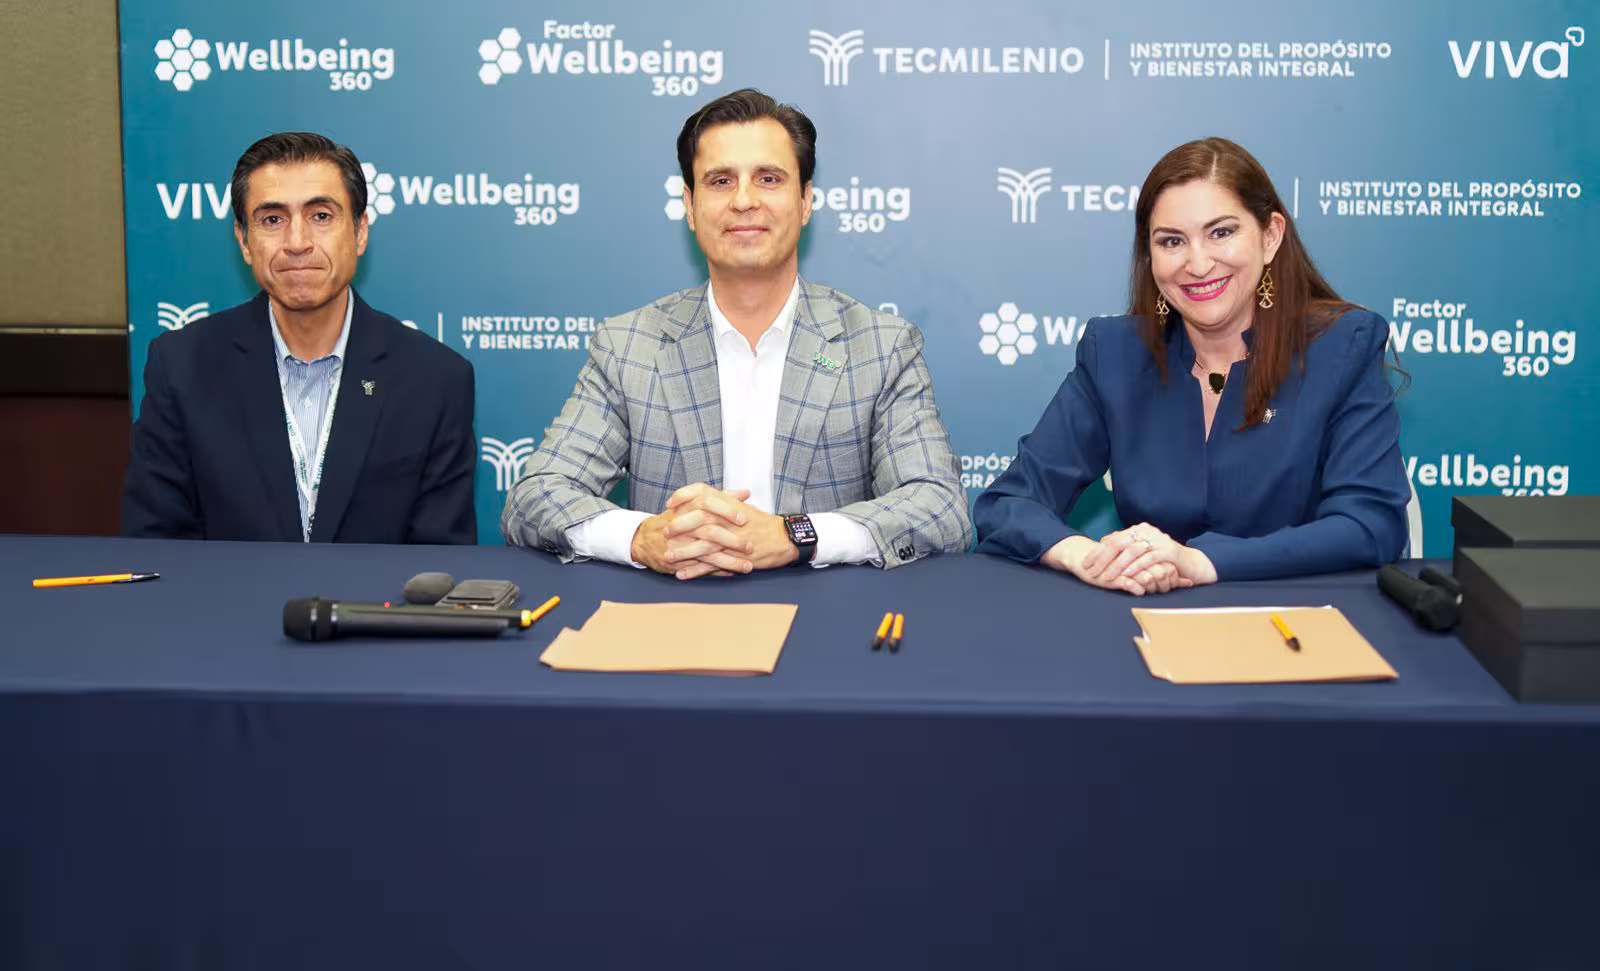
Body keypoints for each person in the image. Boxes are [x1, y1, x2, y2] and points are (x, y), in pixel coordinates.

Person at [502, 89, 969, 577]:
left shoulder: (880, 346)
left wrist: (796, 536)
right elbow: (536, 495)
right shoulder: (628, 347)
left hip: (829, 612)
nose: (744, 201)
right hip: (671, 609)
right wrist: (643, 538)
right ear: (690, 205)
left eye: (768, 179)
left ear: (805, 201)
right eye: (721, 181)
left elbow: (940, 506)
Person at [974, 137, 1408, 593]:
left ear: (1270, 236)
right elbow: (1007, 503)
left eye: (1221, 233)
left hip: (1295, 616)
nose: (1198, 264)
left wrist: (1201, 562)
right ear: (1150, 255)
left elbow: (1372, 524)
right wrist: (1088, 556)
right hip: (1147, 614)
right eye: (1172, 241)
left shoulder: (1342, 346)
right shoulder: (1114, 353)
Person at [122, 131, 478, 544]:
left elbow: (439, 562)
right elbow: (157, 546)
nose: (297, 243)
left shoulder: (435, 379)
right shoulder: (182, 367)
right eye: (272, 220)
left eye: (321, 216)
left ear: (360, 232)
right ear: (244, 242)